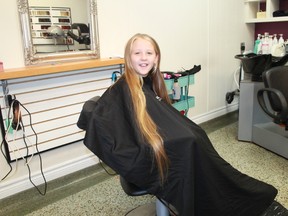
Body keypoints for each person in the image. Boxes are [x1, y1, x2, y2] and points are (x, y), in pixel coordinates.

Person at [77, 33, 284, 216]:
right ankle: (239, 203)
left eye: (149, 53)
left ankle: (239, 197)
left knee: (205, 158)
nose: (143, 58)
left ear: (156, 58)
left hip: (176, 145)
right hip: (152, 153)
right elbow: (105, 118)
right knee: (196, 153)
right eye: (137, 53)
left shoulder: (148, 83)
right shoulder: (125, 88)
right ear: (128, 57)